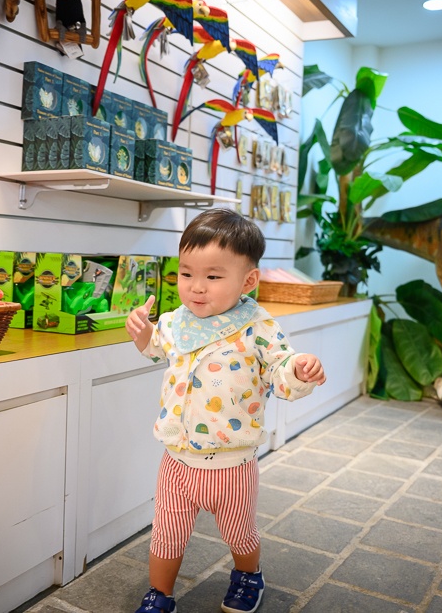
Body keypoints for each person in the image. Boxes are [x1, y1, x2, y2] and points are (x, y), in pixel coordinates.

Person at [125, 209, 327, 613]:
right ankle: (160, 594)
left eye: (213, 277)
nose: (196, 288)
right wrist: (145, 333)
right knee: (166, 533)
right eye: (186, 274)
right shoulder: (176, 321)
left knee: (239, 533)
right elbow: (157, 349)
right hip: (177, 458)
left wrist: (300, 369)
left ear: (248, 280)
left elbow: (281, 367)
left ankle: (249, 574)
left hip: (232, 462)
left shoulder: (257, 326)